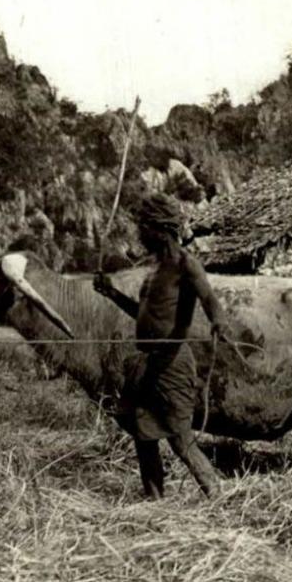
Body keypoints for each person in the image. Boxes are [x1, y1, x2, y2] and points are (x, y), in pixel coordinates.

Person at [93, 192, 229, 498]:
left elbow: (209, 298)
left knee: (180, 438)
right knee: (143, 437)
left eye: (144, 227)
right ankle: (154, 505)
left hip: (172, 362)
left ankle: (217, 496)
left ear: (161, 229)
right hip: (146, 363)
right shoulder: (155, 269)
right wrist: (112, 294)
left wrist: (218, 321)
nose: (140, 233)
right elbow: (145, 314)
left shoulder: (185, 264)